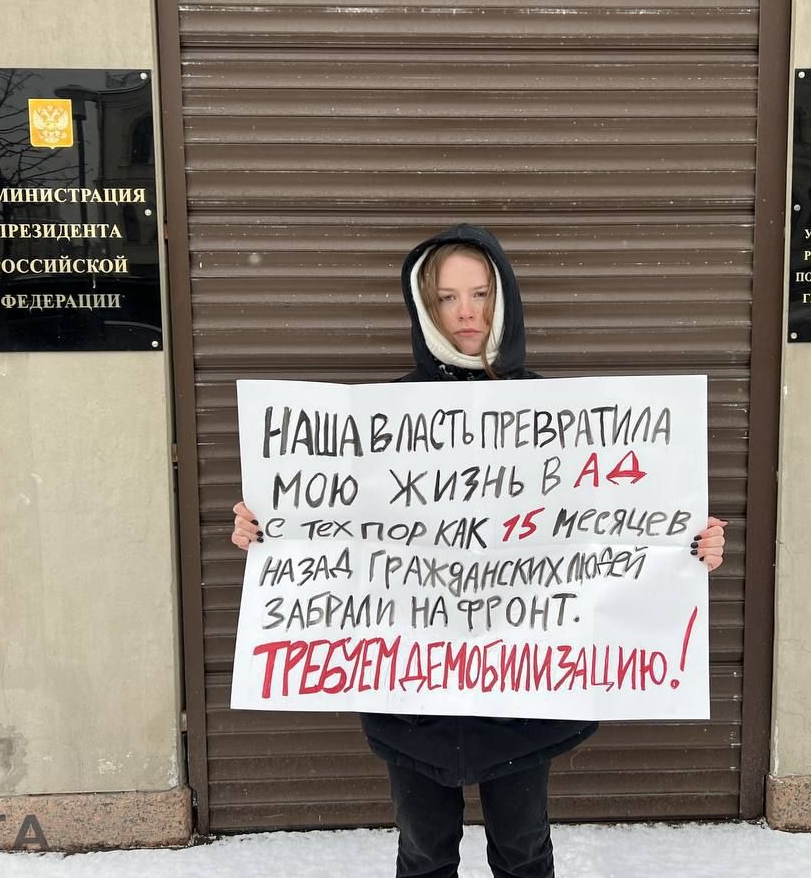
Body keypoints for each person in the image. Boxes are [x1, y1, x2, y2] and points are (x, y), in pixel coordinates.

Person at [231, 223, 727, 878]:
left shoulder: (562, 416)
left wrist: (687, 546)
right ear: (425, 306)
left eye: (480, 293)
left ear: (505, 299)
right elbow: (333, 525)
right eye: (447, 297)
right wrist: (268, 531)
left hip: (521, 701)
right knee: (424, 855)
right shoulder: (379, 419)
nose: (466, 312)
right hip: (412, 697)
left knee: (522, 854)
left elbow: (613, 530)